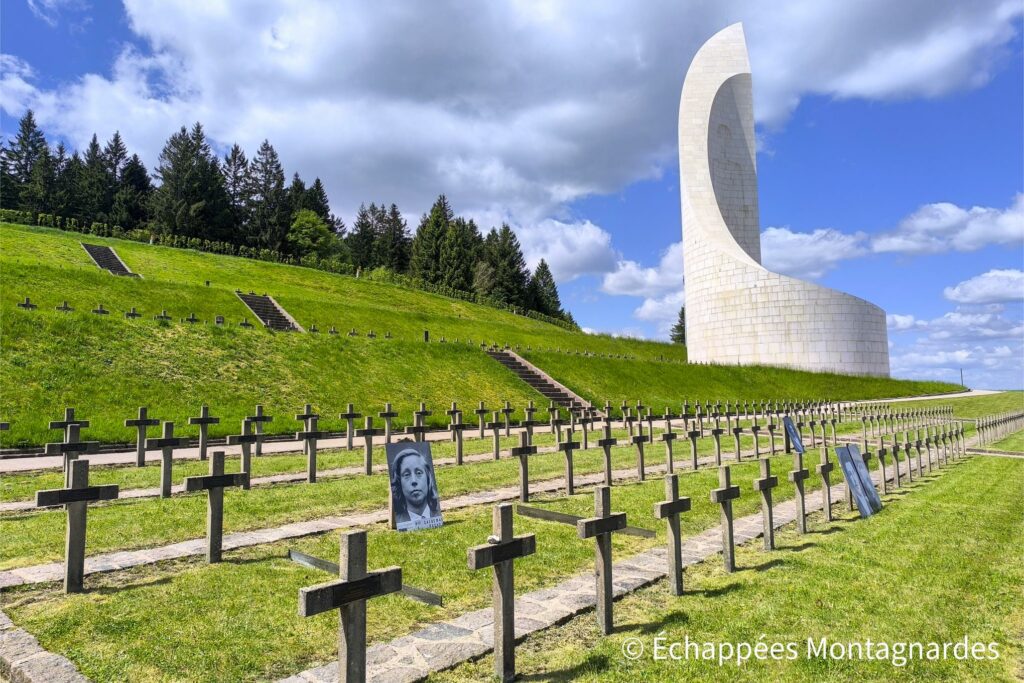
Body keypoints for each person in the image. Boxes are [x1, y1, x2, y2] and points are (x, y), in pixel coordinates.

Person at [389, 447, 442, 530]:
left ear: (428, 478)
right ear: (399, 482)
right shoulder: (401, 521)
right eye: (406, 475)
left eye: (419, 473)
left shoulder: (437, 517)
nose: (414, 481)